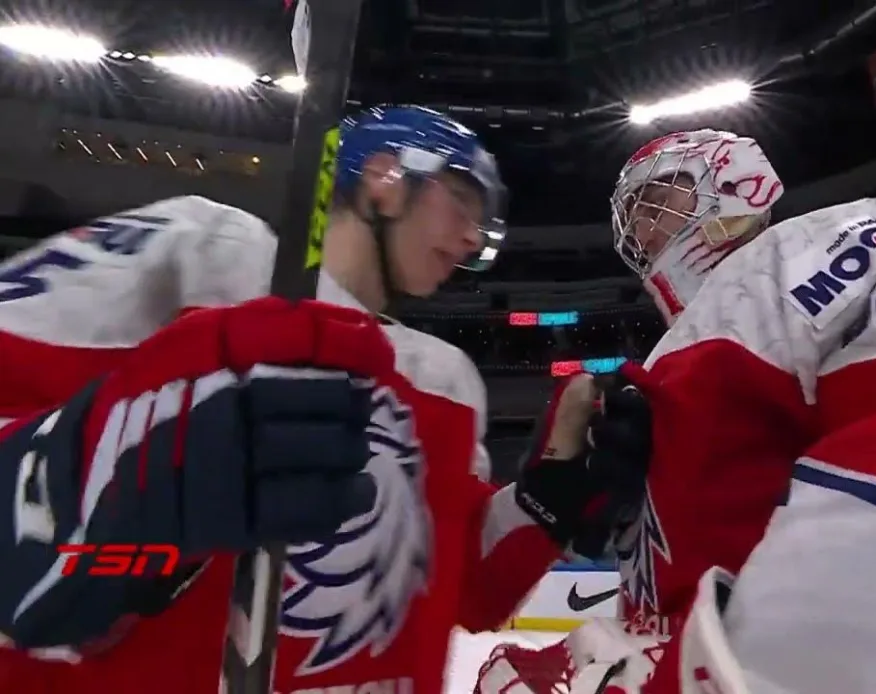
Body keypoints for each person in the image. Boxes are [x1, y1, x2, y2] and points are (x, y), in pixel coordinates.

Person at [476, 128, 876, 694]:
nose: (643, 230)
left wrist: (748, 661)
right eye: (633, 219)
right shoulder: (667, 365)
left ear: (736, 185)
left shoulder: (797, 255)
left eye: (658, 200)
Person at [0, 106, 636, 694]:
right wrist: (80, 477)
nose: (473, 239)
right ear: (386, 178)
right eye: (462, 201)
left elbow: (452, 594)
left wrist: (549, 491)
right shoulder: (203, 250)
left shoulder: (449, 379)